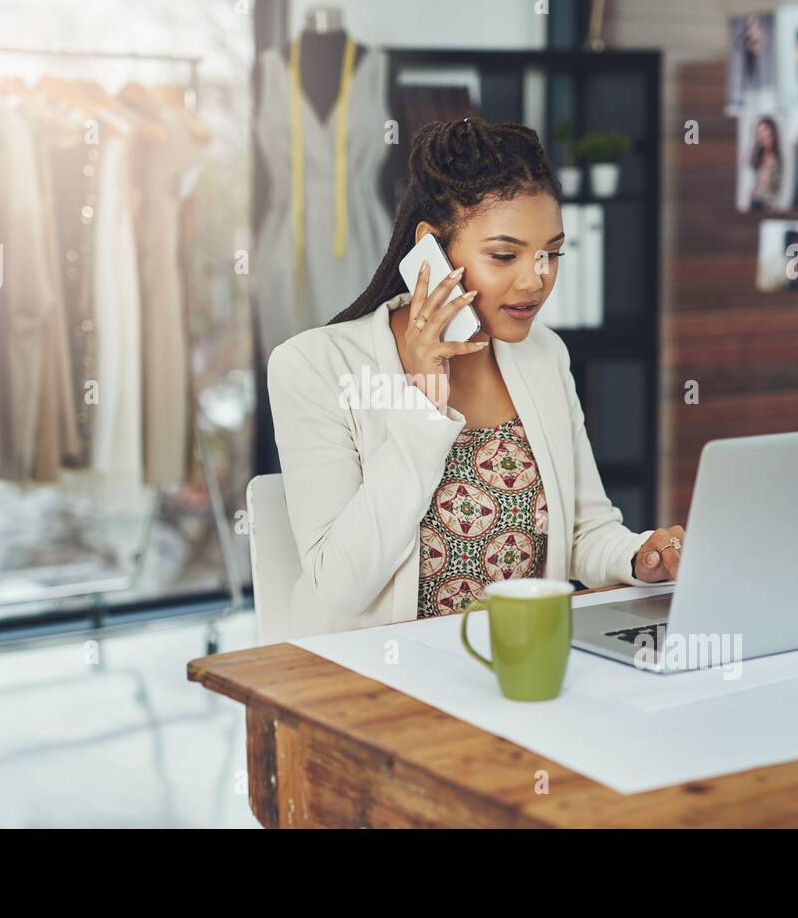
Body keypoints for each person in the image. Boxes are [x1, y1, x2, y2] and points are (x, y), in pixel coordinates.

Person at [267, 118, 684, 637]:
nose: (536, 279)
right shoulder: (315, 367)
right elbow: (343, 586)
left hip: (517, 662)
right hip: (375, 680)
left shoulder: (544, 355)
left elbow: (583, 532)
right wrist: (425, 403)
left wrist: (637, 556)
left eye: (551, 253)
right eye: (504, 255)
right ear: (431, 252)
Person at [748, 116, 783, 210]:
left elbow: (779, 187)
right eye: (758, 132)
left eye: (764, 130)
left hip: (769, 204)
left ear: (773, 132)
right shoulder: (757, 155)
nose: (761, 134)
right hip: (755, 202)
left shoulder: (779, 158)